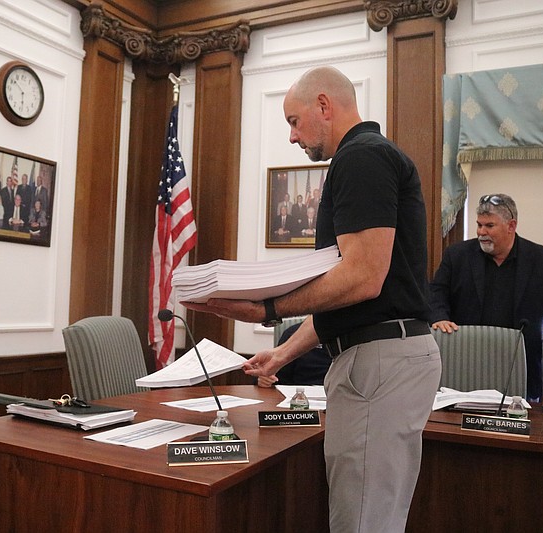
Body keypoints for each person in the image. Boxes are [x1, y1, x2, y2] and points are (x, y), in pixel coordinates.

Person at [183, 66, 440, 533]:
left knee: (362, 523)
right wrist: (280, 353)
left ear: (324, 106)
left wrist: (265, 308)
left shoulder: (361, 158)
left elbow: (362, 279)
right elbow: (352, 303)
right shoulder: (368, 157)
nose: (292, 136)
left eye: (294, 121)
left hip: (378, 362)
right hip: (381, 354)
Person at [429, 193, 543, 401]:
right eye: (479, 225)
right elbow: (437, 293)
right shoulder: (457, 256)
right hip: (467, 363)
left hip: (522, 368)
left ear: (511, 226)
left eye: (489, 226)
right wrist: (438, 317)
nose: (481, 232)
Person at [256, 322, 331, 387]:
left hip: (337, 393)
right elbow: (278, 378)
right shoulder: (293, 334)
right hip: (299, 394)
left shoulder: (341, 334)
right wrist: (265, 380)